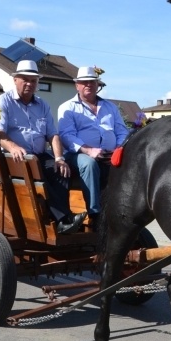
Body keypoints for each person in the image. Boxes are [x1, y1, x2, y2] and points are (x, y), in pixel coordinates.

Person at [0, 60, 86, 235]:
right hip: (13, 157)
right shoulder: (3, 101)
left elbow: (53, 135)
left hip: (38, 155)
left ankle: (64, 221)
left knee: (61, 169)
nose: (29, 84)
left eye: (33, 80)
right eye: (25, 79)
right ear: (15, 80)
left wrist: (59, 158)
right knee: (37, 170)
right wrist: (13, 147)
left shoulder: (42, 104)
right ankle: (62, 219)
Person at [58, 66, 130, 223]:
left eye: (92, 82)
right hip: (79, 155)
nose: (88, 85)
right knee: (89, 164)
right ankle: (95, 213)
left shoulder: (110, 107)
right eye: (84, 82)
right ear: (77, 85)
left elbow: (121, 131)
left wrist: (118, 149)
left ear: (97, 85)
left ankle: (124, 212)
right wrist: (89, 151)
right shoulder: (67, 107)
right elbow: (67, 136)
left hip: (109, 154)